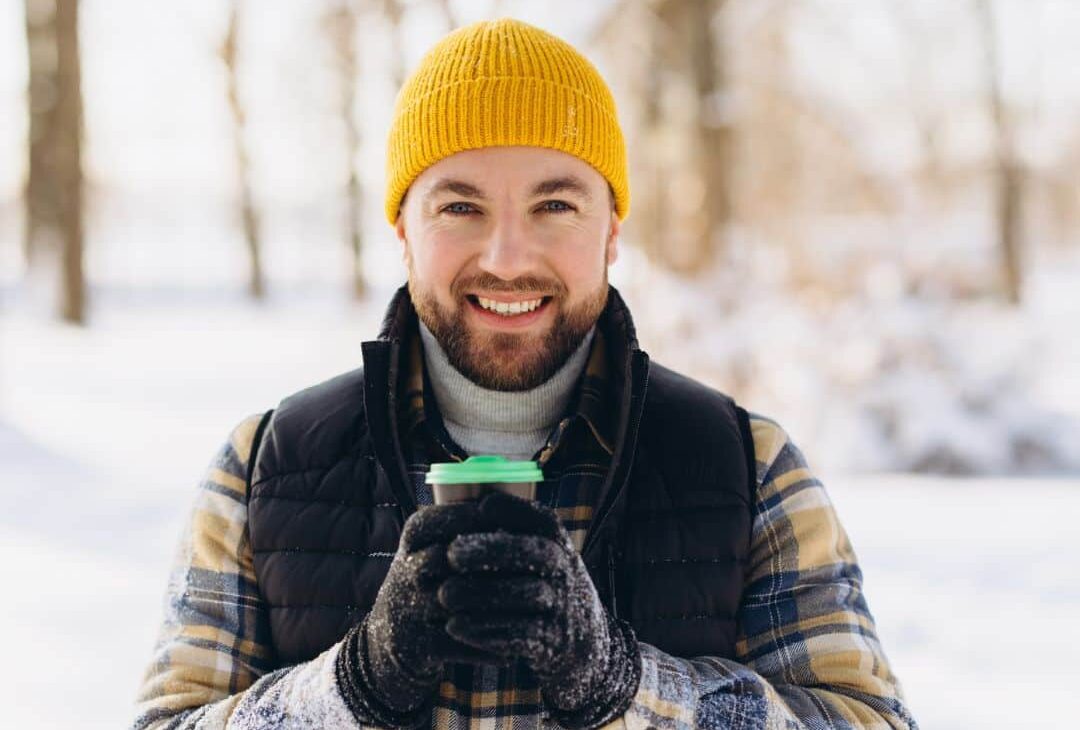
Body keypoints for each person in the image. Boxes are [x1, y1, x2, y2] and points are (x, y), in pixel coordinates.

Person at [132, 18, 917, 730]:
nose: (508, 259)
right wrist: (352, 687)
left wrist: (623, 686)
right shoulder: (266, 467)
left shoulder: (746, 467)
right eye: (460, 208)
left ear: (612, 229)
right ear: (402, 229)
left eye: (555, 206)